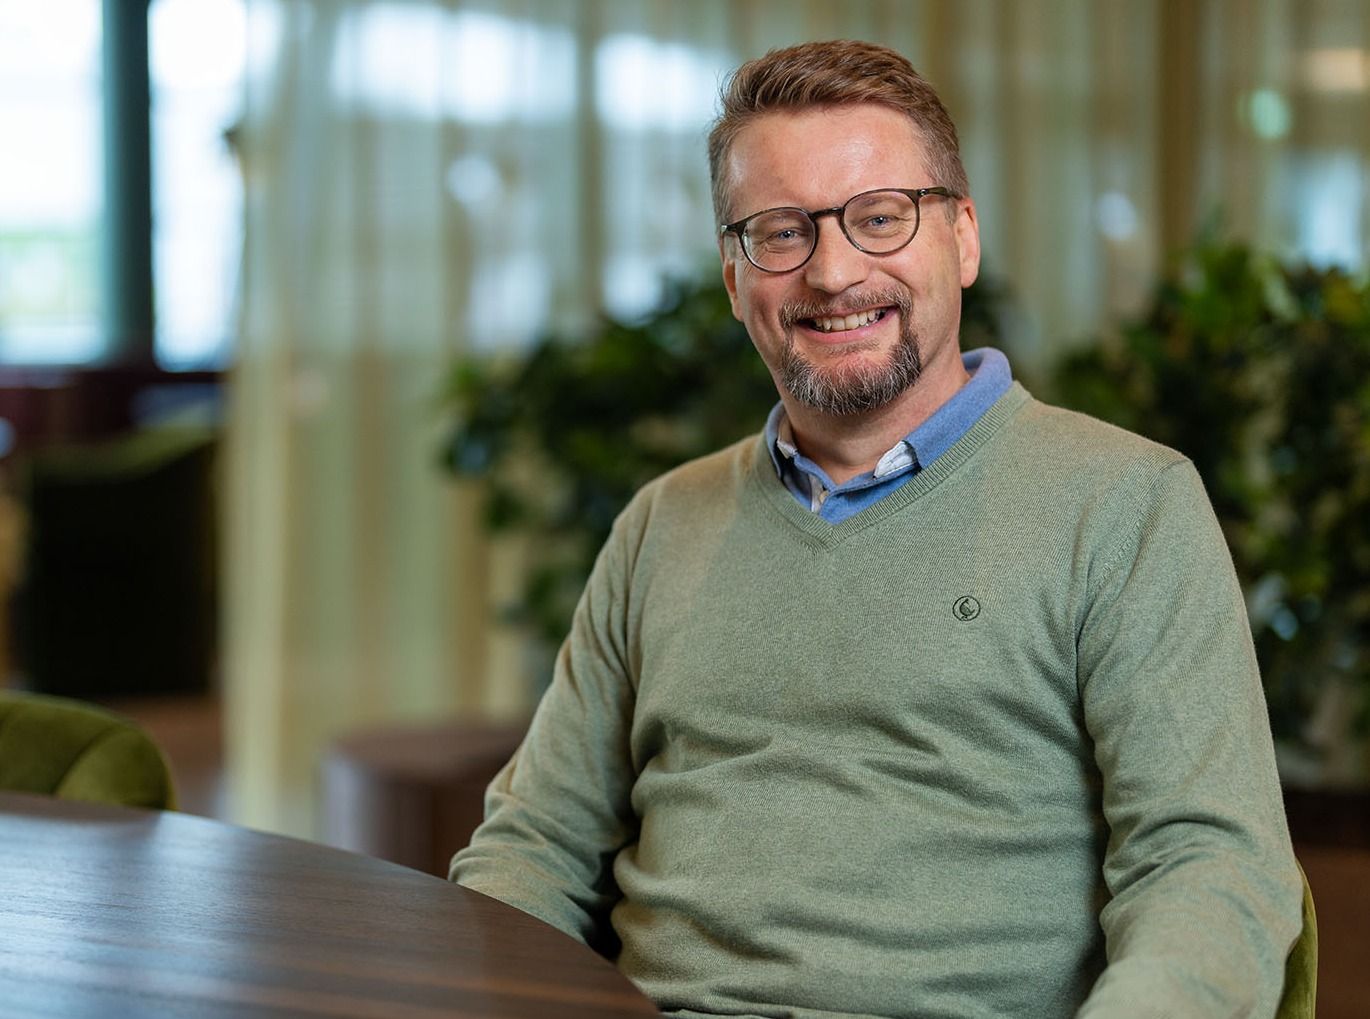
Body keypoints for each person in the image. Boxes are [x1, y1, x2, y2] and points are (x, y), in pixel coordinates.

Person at [451, 39, 1303, 1019]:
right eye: (779, 232)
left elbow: (1209, 872)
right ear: (734, 278)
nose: (832, 271)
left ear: (963, 238)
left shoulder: (1123, 503)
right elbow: (532, 847)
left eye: (878, 218)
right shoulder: (660, 523)